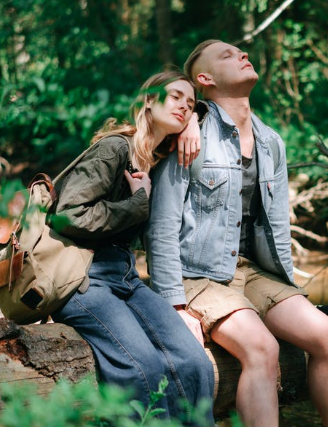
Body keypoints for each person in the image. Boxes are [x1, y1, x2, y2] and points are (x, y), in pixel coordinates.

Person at [145, 41, 328, 427]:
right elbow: (161, 227)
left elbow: (277, 225)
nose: (242, 55)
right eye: (226, 55)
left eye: (241, 52)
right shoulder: (188, 132)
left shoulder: (271, 141)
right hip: (198, 275)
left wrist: (289, 289)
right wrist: (174, 305)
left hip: (253, 271)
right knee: (262, 348)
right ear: (205, 79)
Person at [49, 70, 215, 425]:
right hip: (82, 278)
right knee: (145, 368)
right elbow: (67, 216)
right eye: (175, 98)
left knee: (196, 363)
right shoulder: (114, 148)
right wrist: (138, 203)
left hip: (126, 277)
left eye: (190, 104)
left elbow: (212, 115)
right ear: (149, 100)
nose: (184, 107)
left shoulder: (157, 156)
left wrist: (193, 121)